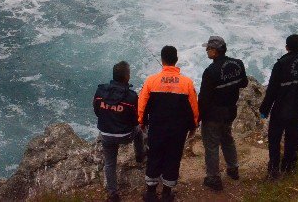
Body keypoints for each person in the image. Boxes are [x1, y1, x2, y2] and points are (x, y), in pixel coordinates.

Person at [138, 46, 199, 202]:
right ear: (176, 60)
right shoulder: (187, 83)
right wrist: (193, 126)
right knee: (173, 157)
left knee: (154, 156)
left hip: (157, 128)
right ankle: (166, 193)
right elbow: (193, 109)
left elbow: (142, 105)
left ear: (162, 60)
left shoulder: (151, 80)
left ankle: (151, 193)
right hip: (178, 130)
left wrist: (142, 122)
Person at [259, 34, 298, 179]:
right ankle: (289, 167)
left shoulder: (281, 64)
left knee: (274, 139)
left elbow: (272, 90)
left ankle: (273, 170)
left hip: (281, 109)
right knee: (293, 138)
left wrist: (264, 110)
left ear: (286, 48)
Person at [198, 36, 248, 191]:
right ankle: (233, 169)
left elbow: (204, 99)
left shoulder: (210, 71)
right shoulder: (237, 63)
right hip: (230, 111)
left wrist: (198, 117)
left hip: (213, 114)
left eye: (208, 49)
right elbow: (244, 83)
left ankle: (213, 178)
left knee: (212, 145)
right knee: (227, 139)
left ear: (214, 51)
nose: (206, 51)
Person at [93, 61, 145, 202]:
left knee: (110, 163)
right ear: (127, 77)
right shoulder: (132, 97)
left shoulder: (100, 92)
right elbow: (136, 119)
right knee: (139, 130)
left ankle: (113, 194)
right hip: (125, 135)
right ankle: (140, 156)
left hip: (106, 134)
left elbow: (97, 111)